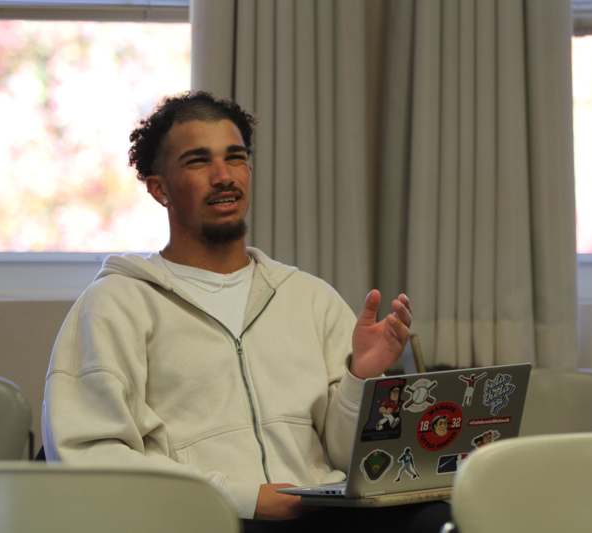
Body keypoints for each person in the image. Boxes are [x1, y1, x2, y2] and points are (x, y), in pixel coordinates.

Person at [42, 92, 452, 532]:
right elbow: (92, 458)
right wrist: (243, 498)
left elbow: (348, 458)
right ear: (159, 188)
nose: (223, 176)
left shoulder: (308, 297)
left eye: (235, 158)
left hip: (326, 513)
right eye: (198, 161)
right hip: (202, 519)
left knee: (452, 515)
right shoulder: (115, 304)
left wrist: (361, 379)